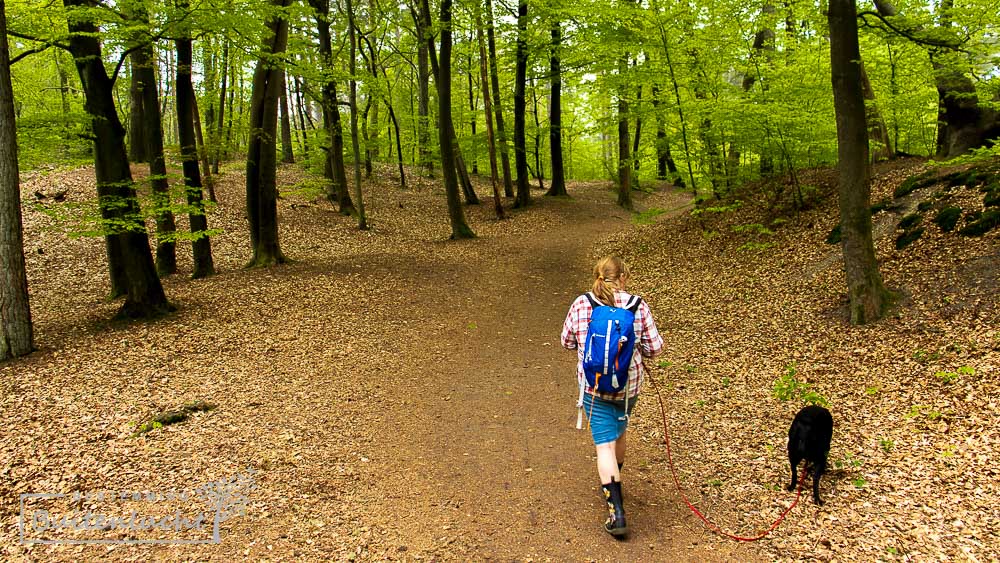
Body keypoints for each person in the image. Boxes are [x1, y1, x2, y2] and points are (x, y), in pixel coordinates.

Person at [560, 256, 663, 537]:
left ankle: (616, 510)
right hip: (628, 388)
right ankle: (615, 481)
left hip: (594, 387)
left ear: (597, 277)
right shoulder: (637, 305)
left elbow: (566, 341)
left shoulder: (582, 303)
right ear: (624, 278)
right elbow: (655, 348)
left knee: (603, 445)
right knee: (620, 429)